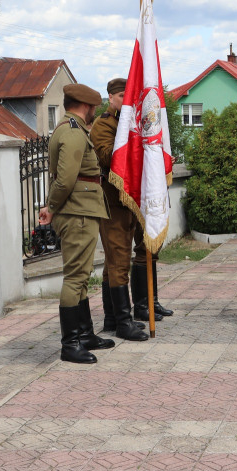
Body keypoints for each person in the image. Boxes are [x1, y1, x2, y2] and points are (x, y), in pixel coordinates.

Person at [38, 83, 115, 363]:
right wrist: (53, 207)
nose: (95, 110)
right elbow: (66, 179)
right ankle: (70, 344)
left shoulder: (74, 129)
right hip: (77, 212)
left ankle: (84, 334)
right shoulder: (72, 132)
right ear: (87, 106)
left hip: (82, 210)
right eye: (94, 107)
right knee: (75, 278)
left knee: (81, 277)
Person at [89, 78, 148, 342]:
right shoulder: (103, 124)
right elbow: (105, 157)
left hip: (128, 201)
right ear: (111, 97)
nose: (126, 100)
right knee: (119, 260)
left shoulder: (129, 123)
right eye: (122, 95)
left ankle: (113, 318)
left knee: (114, 262)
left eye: (129, 95)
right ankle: (124, 321)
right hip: (113, 200)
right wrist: (130, 142)